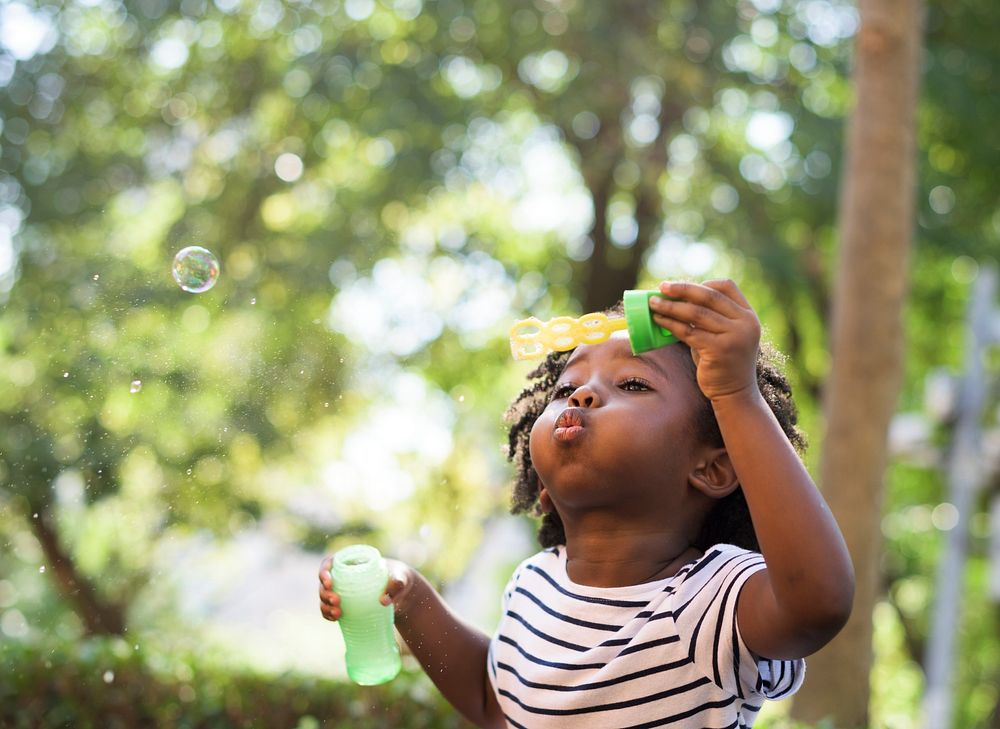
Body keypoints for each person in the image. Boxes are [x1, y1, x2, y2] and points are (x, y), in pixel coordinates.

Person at [319, 279, 854, 728]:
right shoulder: (534, 585)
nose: (581, 394)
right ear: (545, 489)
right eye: (566, 387)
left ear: (713, 467)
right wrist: (409, 598)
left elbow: (817, 602)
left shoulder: (708, 602)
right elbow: (495, 699)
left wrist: (737, 395)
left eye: (633, 383)